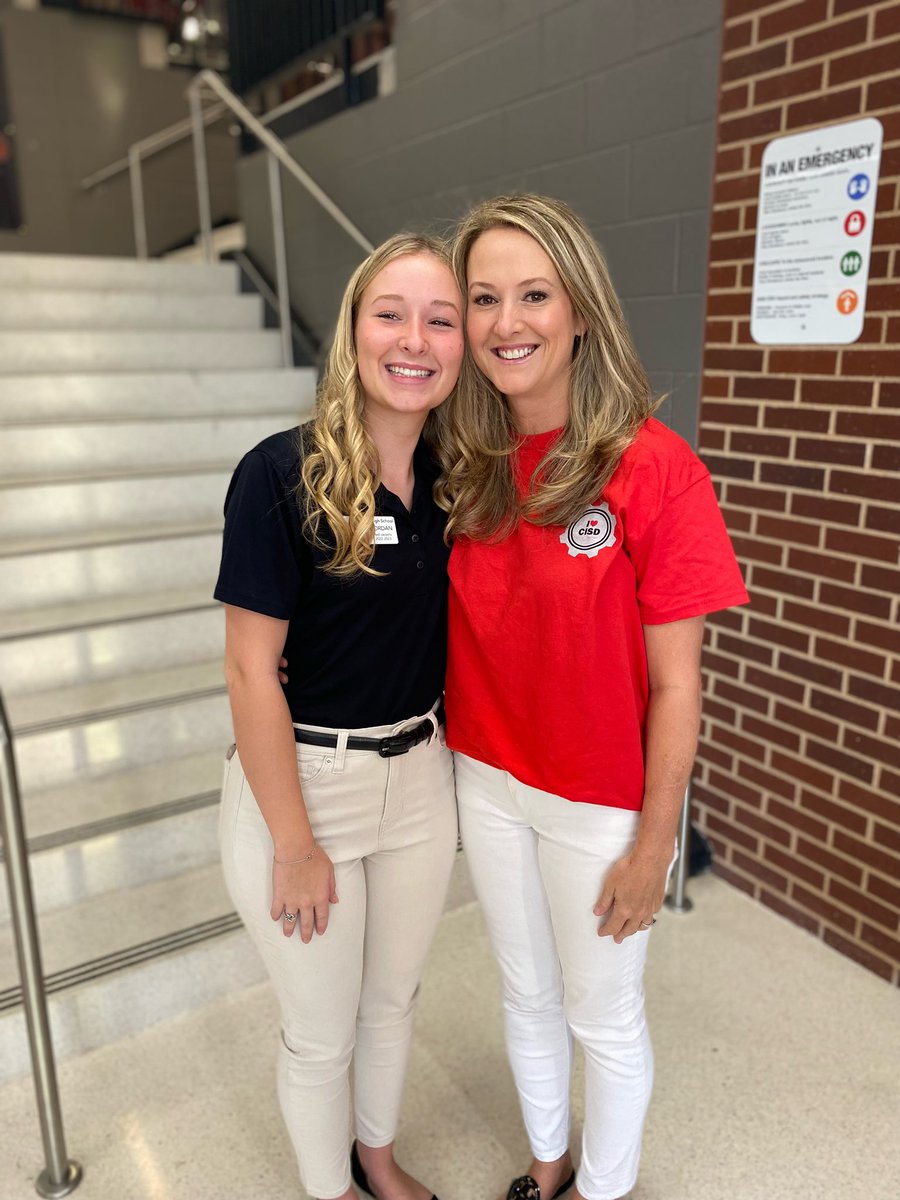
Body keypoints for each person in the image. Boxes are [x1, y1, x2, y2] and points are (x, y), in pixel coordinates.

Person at [437, 195, 749, 1200]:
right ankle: (547, 1170)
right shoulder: (468, 467)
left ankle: (603, 1193)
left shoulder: (656, 472)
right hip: (487, 780)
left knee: (601, 1015)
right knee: (526, 995)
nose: (506, 322)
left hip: (600, 804)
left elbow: (676, 682)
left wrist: (655, 844)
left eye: (534, 294)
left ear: (580, 311)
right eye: (484, 297)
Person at [214, 234, 463, 1200]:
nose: (416, 339)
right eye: (390, 314)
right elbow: (248, 670)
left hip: (418, 778)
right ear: (354, 331)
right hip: (306, 787)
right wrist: (294, 841)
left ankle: (377, 1157)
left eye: (441, 319)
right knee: (322, 1032)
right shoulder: (280, 475)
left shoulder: (452, 479)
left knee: (391, 1002)